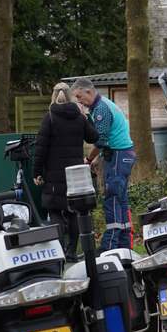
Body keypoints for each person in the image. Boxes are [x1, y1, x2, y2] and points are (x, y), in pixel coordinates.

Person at [32, 82, 98, 261]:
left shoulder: (49, 118)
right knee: (73, 212)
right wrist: (86, 117)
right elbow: (94, 137)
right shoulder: (79, 117)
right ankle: (71, 252)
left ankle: (59, 251)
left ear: (53, 96)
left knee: (55, 212)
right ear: (71, 97)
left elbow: (40, 148)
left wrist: (36, 172)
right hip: (75, 175)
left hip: (54, 176)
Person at [71, 77, 136, 252]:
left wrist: (89, 159)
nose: (79, 101)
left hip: (117, 155)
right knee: (121, 200)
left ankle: (110, 246)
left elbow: (101, 140)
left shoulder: (101, 109)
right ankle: (124, 246)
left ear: (89, 91)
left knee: (112, 197)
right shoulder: (101, 105)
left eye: (79, 96)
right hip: (123, 154)